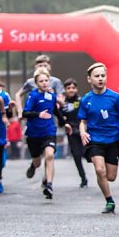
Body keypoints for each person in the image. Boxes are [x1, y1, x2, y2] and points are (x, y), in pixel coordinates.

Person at [79, 63, 119, 214]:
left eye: (103, 75)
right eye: (97, 76)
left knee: (111, 176)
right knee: (99, 170)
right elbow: (82, 121)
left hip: (113, 140)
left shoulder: (114, 97)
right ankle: (109, 201)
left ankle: (107, 190)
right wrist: (83, 132)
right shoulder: (86, 100)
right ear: (89, 79)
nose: (100, 79)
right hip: (95, 140)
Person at [22, 69, 71, 200]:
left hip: (48, 131)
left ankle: (49, 185)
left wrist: (64, 123)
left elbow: (55, 111)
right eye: (41, 81)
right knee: (38, 162)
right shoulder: (33, 96)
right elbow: (25, 113)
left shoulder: (51, 96)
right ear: (36, 83)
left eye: (46, 80)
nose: (44, 83)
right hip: (33, 134)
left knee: (50, 155)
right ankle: (33, 165)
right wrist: (39, 114)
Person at [60, 78, 88, 188]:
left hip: (83, 130)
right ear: (65, 90)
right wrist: (64, 123)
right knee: (76, 155)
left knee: (88, 154)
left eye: (73, 88)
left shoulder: (81, 100)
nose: (71, 90)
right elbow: (60, 117)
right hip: (71, 132)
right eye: (68, 88)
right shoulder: (62, 103)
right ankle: (83, 178)